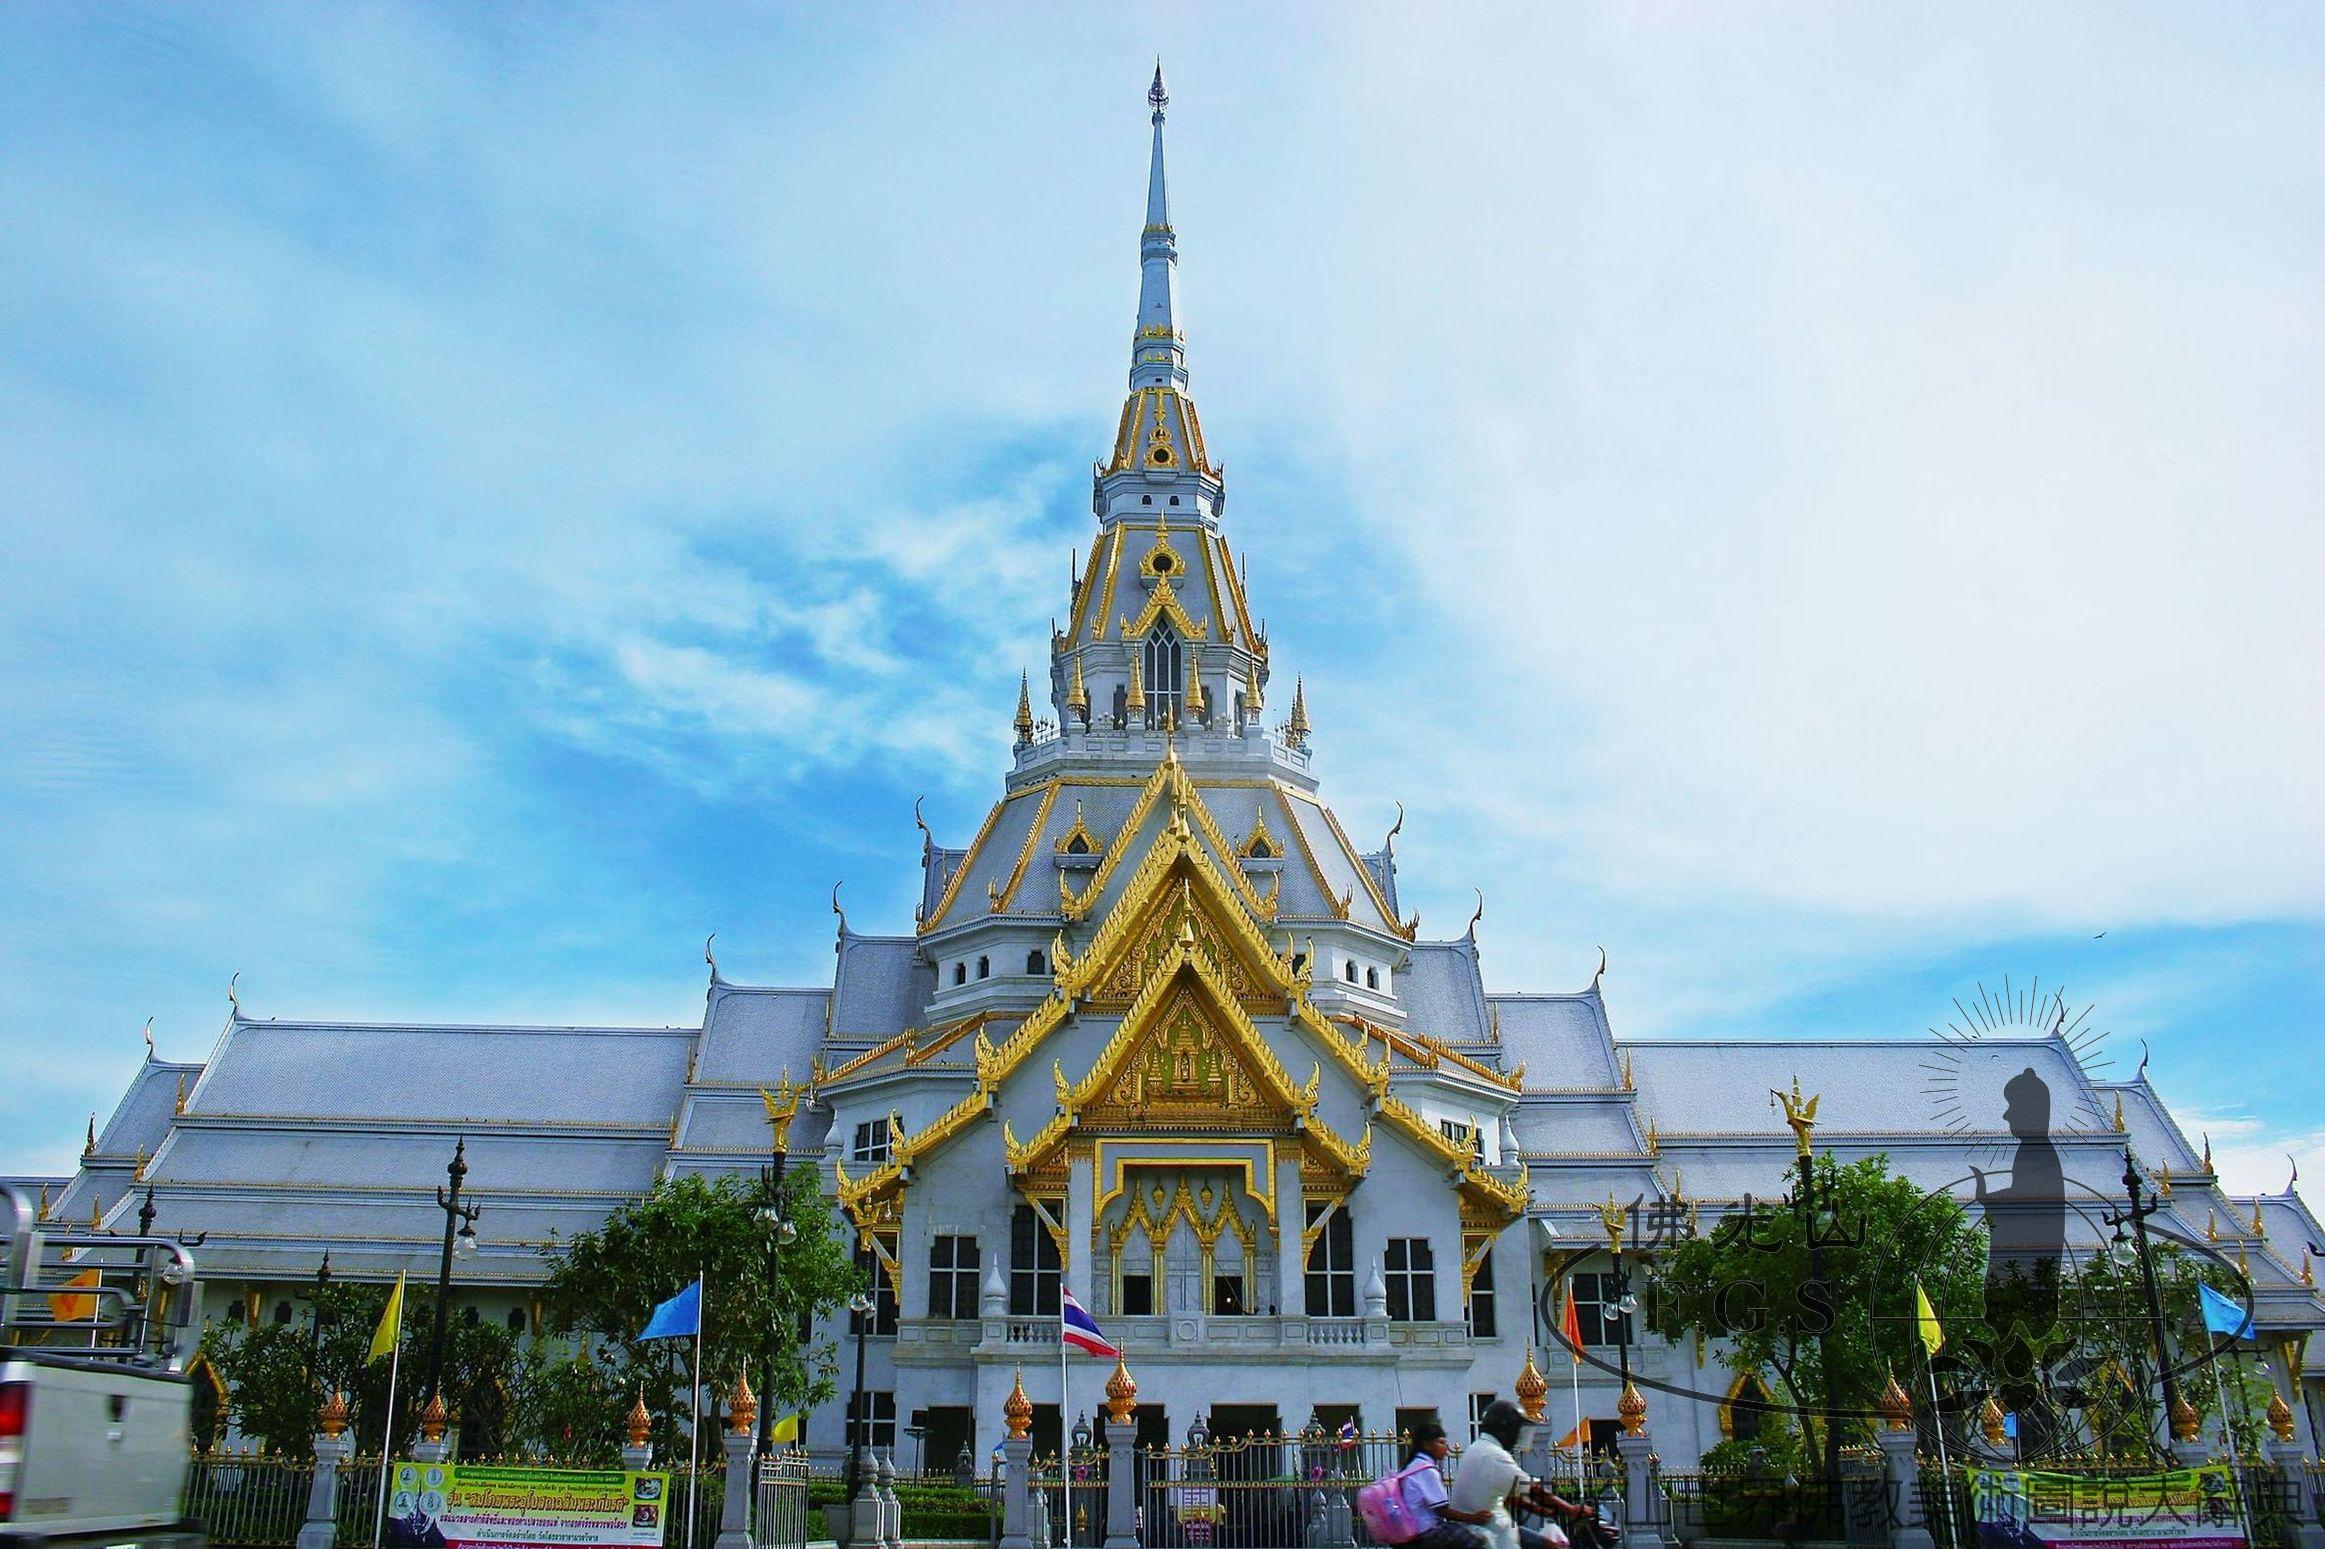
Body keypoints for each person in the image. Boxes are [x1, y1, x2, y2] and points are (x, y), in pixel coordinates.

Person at [1446, 1402, 1538, 1549]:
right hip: (1488, 1534)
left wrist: (1542, 1510)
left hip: (1489, 1528)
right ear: (1506, 1430)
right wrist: (1569, 1509)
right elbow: (1533, 1489)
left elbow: (1513, 1495)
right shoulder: (1494, 1455)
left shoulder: (1478, 1448)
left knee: (1544, 1542)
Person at [1399, 1419, 1491, 1549]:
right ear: (1426, 1445)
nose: (1446, 1448)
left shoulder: (1413, 1466)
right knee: (1476, 1543)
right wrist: (1474, 1518)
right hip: (1426, 1530)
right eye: (1441, 1442)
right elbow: (1443, 1510)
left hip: (1415, 1529)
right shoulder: (1426, 1470)